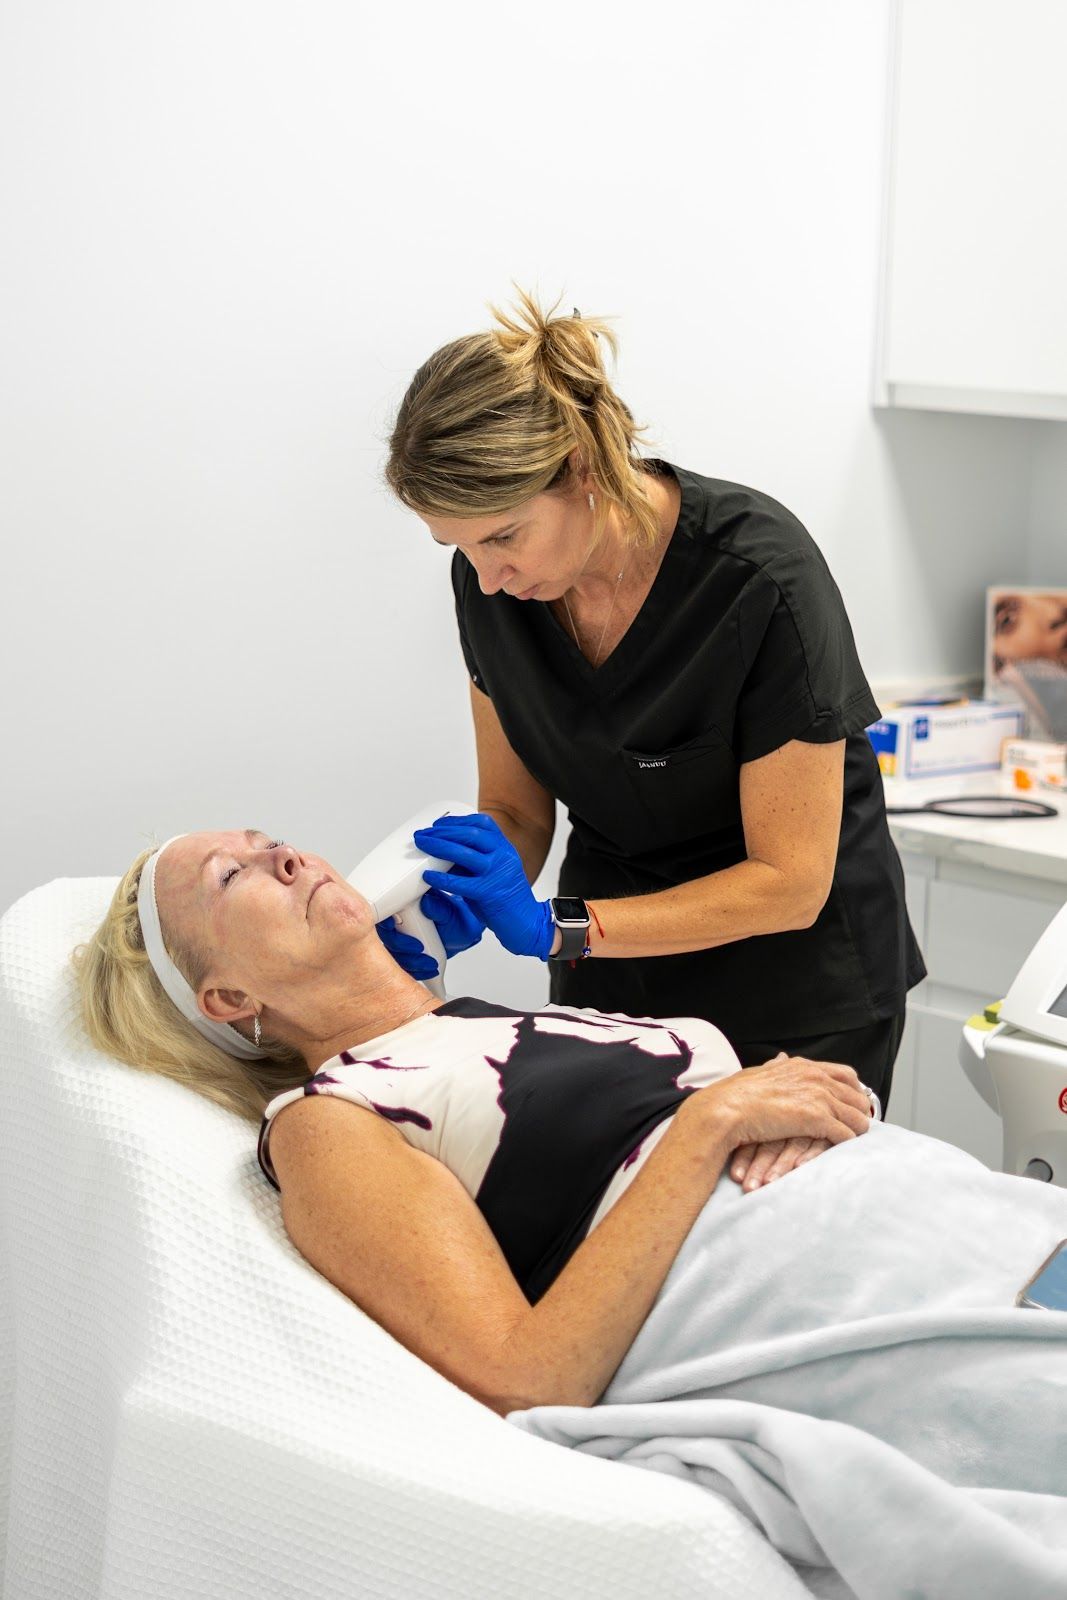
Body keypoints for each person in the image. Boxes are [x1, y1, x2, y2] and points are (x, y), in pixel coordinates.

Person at [382, 292, 926, 1110]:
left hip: (795, 997)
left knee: (762, 1228)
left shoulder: (756, 580)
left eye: (502, 536)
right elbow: (519, 812)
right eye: (455, 546)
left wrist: (560, 927)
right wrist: (444, 897)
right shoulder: (492, 588)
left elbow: (788, 880)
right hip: (612, 976)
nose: (485, 577)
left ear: (583, 469)